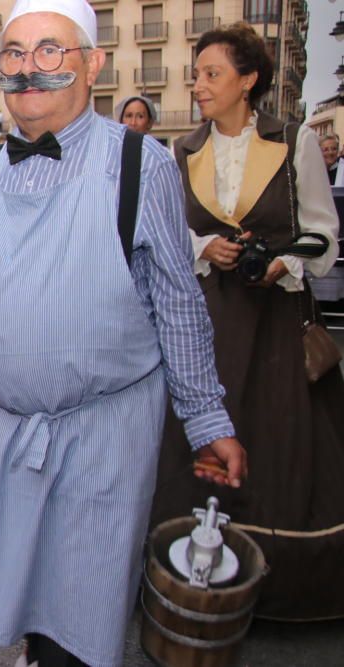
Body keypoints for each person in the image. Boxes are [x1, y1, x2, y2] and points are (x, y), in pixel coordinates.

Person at [0, 3, 246, 665]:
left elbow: (177, 304)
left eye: (50, 51)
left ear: (92, 64)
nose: (27, 70)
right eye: (13, 54)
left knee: (80, 600)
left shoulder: (140, 165)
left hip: (98, 434)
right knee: (9, 582)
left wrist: (206, 417)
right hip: (0, 431)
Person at [151, 23, 344, 622]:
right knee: (195, 438)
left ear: (248, 79)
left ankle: (278, 589)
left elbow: (322, 230)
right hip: (206, 320)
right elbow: (164, 233)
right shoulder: (180, 151)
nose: (198, 84)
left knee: (277, 437)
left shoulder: (294, 143)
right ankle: (187, 575)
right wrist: (203, 245)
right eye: (198, 73)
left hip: (275, 323)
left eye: (212, 73)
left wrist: (284, 262)